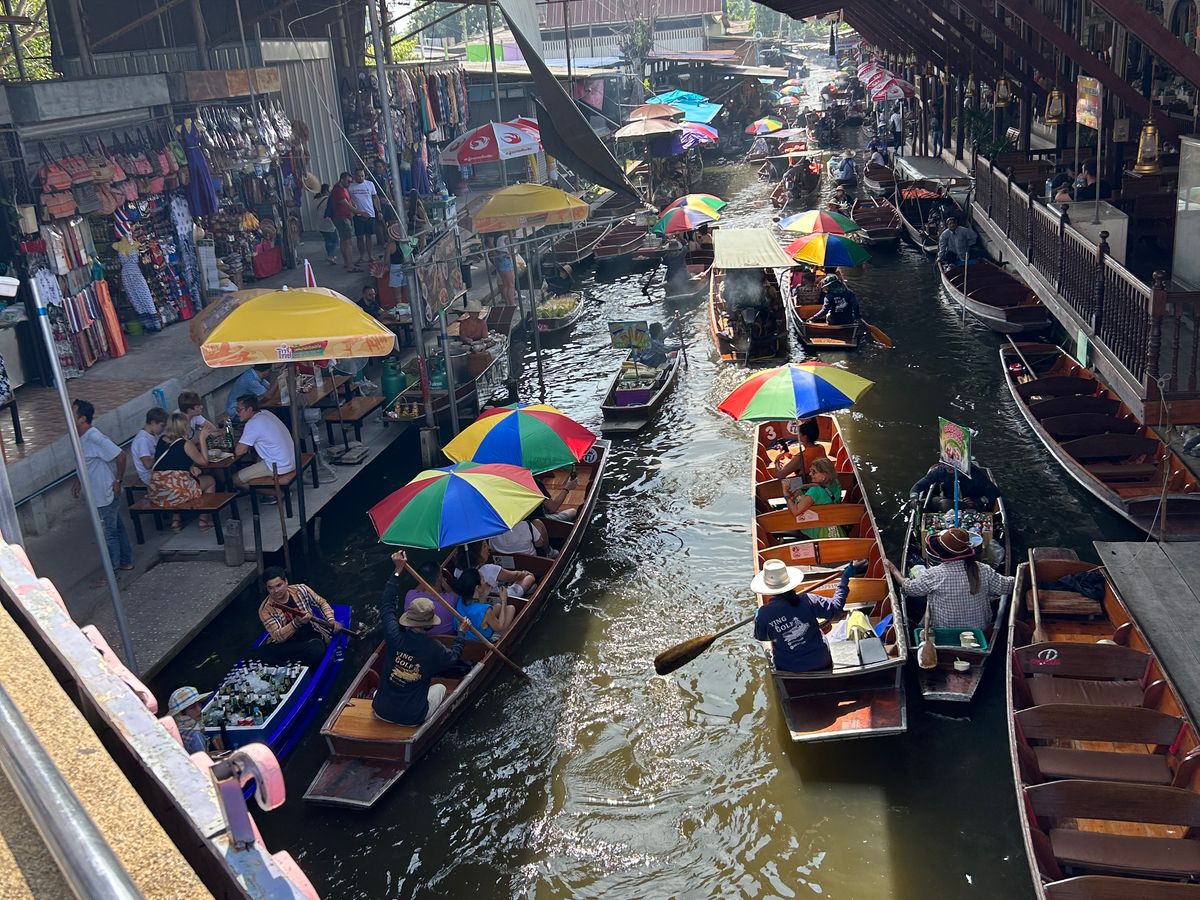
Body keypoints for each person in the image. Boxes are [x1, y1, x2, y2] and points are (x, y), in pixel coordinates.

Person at [373, 550, 469, 726]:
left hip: (381, 709)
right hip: (412, 717)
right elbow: (454, 657)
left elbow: (387, 604)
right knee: (440, 688)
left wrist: (397, 571)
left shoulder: (394, 634)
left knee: (381, 691)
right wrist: (461, 633)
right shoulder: (433, 648)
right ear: (430, 624)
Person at [884, 527, 1015, 630]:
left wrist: (894, 570)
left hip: (944, 630)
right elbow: (1008, 586)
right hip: (979, 630)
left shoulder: (935, 574)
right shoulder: (984, 569)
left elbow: (909, 588)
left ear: (942, 554)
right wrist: (1021, 575)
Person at [753, 560, 858, 673]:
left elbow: (761, 636)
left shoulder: (764, 613)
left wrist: (758, 619)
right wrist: (844, 580)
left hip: (788, 668)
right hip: (821, 662)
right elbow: (835, 608)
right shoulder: (807, 600)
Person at [72, 399, 133, 578]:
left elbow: (120, 456)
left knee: (109, 533)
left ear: (82, 419)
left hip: (105, 493)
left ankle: (112, 572)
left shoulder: (94, 437)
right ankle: (125, 561)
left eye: (73, 413)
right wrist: (78, 480)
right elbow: (85, 463)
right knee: (117, 528)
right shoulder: (80, 438)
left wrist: (118, 481)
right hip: (99, 493)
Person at [257, 566, 343, 666]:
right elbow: (278, 636)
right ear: (266, 588)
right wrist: (296, 623)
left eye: (279, 585)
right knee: (259, 653)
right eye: (271, 588)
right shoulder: (265, 609)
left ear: (286, 582)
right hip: (288, 644)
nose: (276, 591)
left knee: (317, 647)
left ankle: (294, 663)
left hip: (311, 635)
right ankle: (293, 664)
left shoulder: (301, 589)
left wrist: (331, 619)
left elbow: (321, 603)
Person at [149, 412, 217, 532]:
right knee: (210, 480)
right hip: (177, 492)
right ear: (184, 427)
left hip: (157, 492)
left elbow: (172, 461)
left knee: (177, 484)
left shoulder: (161, 440)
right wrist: (202, 439)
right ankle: (204, 519)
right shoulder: (186, 444)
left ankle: (176, 520)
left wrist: (190, 467)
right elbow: (204, 462)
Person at [232, 394, 295, 486]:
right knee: (256, 460)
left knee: (235, 479)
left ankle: (270, 492)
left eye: (239, 410)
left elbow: (239, 452)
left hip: (278, 465)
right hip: (291, 459)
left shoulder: (253, 424)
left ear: (249, 409)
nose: (237, 413)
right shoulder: (266, 413)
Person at [783, 456, 844, 539]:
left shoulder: (815, 492)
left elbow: (796, 512)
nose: (810, 474)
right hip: (834, 526)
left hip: (817, 529)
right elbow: (822, 486)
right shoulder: (835, 482)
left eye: (814, 472)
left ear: (824, 475)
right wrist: (805, 486)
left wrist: (786, 494)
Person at [452, 568, 516, 641]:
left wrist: (484, 594)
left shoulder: (461, 600)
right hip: (481, 642)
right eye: (483, 579)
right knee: (511, 609)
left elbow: (474, 606)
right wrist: (504, 599)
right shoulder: (485, 610)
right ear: (477, 587)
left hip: (467, 637)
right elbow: (499, 626)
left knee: (498, 606)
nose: (485, 582)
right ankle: (497, 638)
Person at [909, 460, 999, 511]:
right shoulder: (939, 471)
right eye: (946, 463)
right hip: (946, 501)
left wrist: (977, 502)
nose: (949, 466)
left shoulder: (975, 474)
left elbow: (994, 493)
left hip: (970, 506)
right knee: (920, 505)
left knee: (945, 504)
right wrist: (914, 499)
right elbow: (917, 487)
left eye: (953, 463)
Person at [404, 561, 457, 636]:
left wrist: (424, 580)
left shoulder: (410, 595)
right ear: (439, 577)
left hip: (418, 639)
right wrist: (443, 582)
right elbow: (454, 595)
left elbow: (418, 589)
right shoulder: (450, 599)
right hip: (448, 639)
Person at [167, 686, 221, 755]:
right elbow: (203, 759)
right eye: (192, 707)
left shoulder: (173, 731)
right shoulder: (195, 736)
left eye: (199, 704)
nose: (199, 709)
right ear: (182, 713)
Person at [773, 418, 828, 483]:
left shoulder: (800, 457)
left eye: (799, 433)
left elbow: (780, 475)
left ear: (805, 436)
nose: (797, 435)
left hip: (806, 486)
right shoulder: (820, 448)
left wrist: (777, 461)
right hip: (821, 483)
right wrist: (790, 456)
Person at [348, 167, 379, 264]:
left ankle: (370, 255)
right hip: (358, 214)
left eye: (362, 176)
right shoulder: (351, 187)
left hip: (370, 213)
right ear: (354, 176)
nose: (360, 178)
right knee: (359, 237)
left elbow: (375, 197)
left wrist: (378, 211)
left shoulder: (370, 184)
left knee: (369, 236)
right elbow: (348, 200)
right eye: (358, 176)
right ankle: (362, 255)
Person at [131, 407, 168, 487]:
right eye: (162, 425)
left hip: (158, 471)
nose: (164, 429)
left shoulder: (153, 435)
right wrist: (164, 452)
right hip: (149, 476)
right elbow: (147, 464)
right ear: (153, 423)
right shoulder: (142, 440)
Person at [330, 171, 357, 273]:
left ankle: (347, 262)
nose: (349, 183)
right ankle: (350, 265)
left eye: (350, 181)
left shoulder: (343, 189)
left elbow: (349, 202)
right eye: (348, 181)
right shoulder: (338, 190)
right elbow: (346, 205)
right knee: (348, 242)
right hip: (342, 217)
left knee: (344, 240)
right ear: (342, 180)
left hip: (343, 216)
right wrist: (360, 212)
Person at [314, 183, 338, 264]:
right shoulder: (328, 199)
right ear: (326, 191)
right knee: (334, 240)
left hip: (320, 224)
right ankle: (331, 256)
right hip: (328, 223)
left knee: (328, 240)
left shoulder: (316, 200)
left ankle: (330, 256)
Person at [491, 234, 517, 305]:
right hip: (505, 259)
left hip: (499, 259)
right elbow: (511, 249)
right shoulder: (507, 238)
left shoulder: (500, 238)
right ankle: (512, 303)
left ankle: (507, 303)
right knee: (511, 284)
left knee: (505, 284)